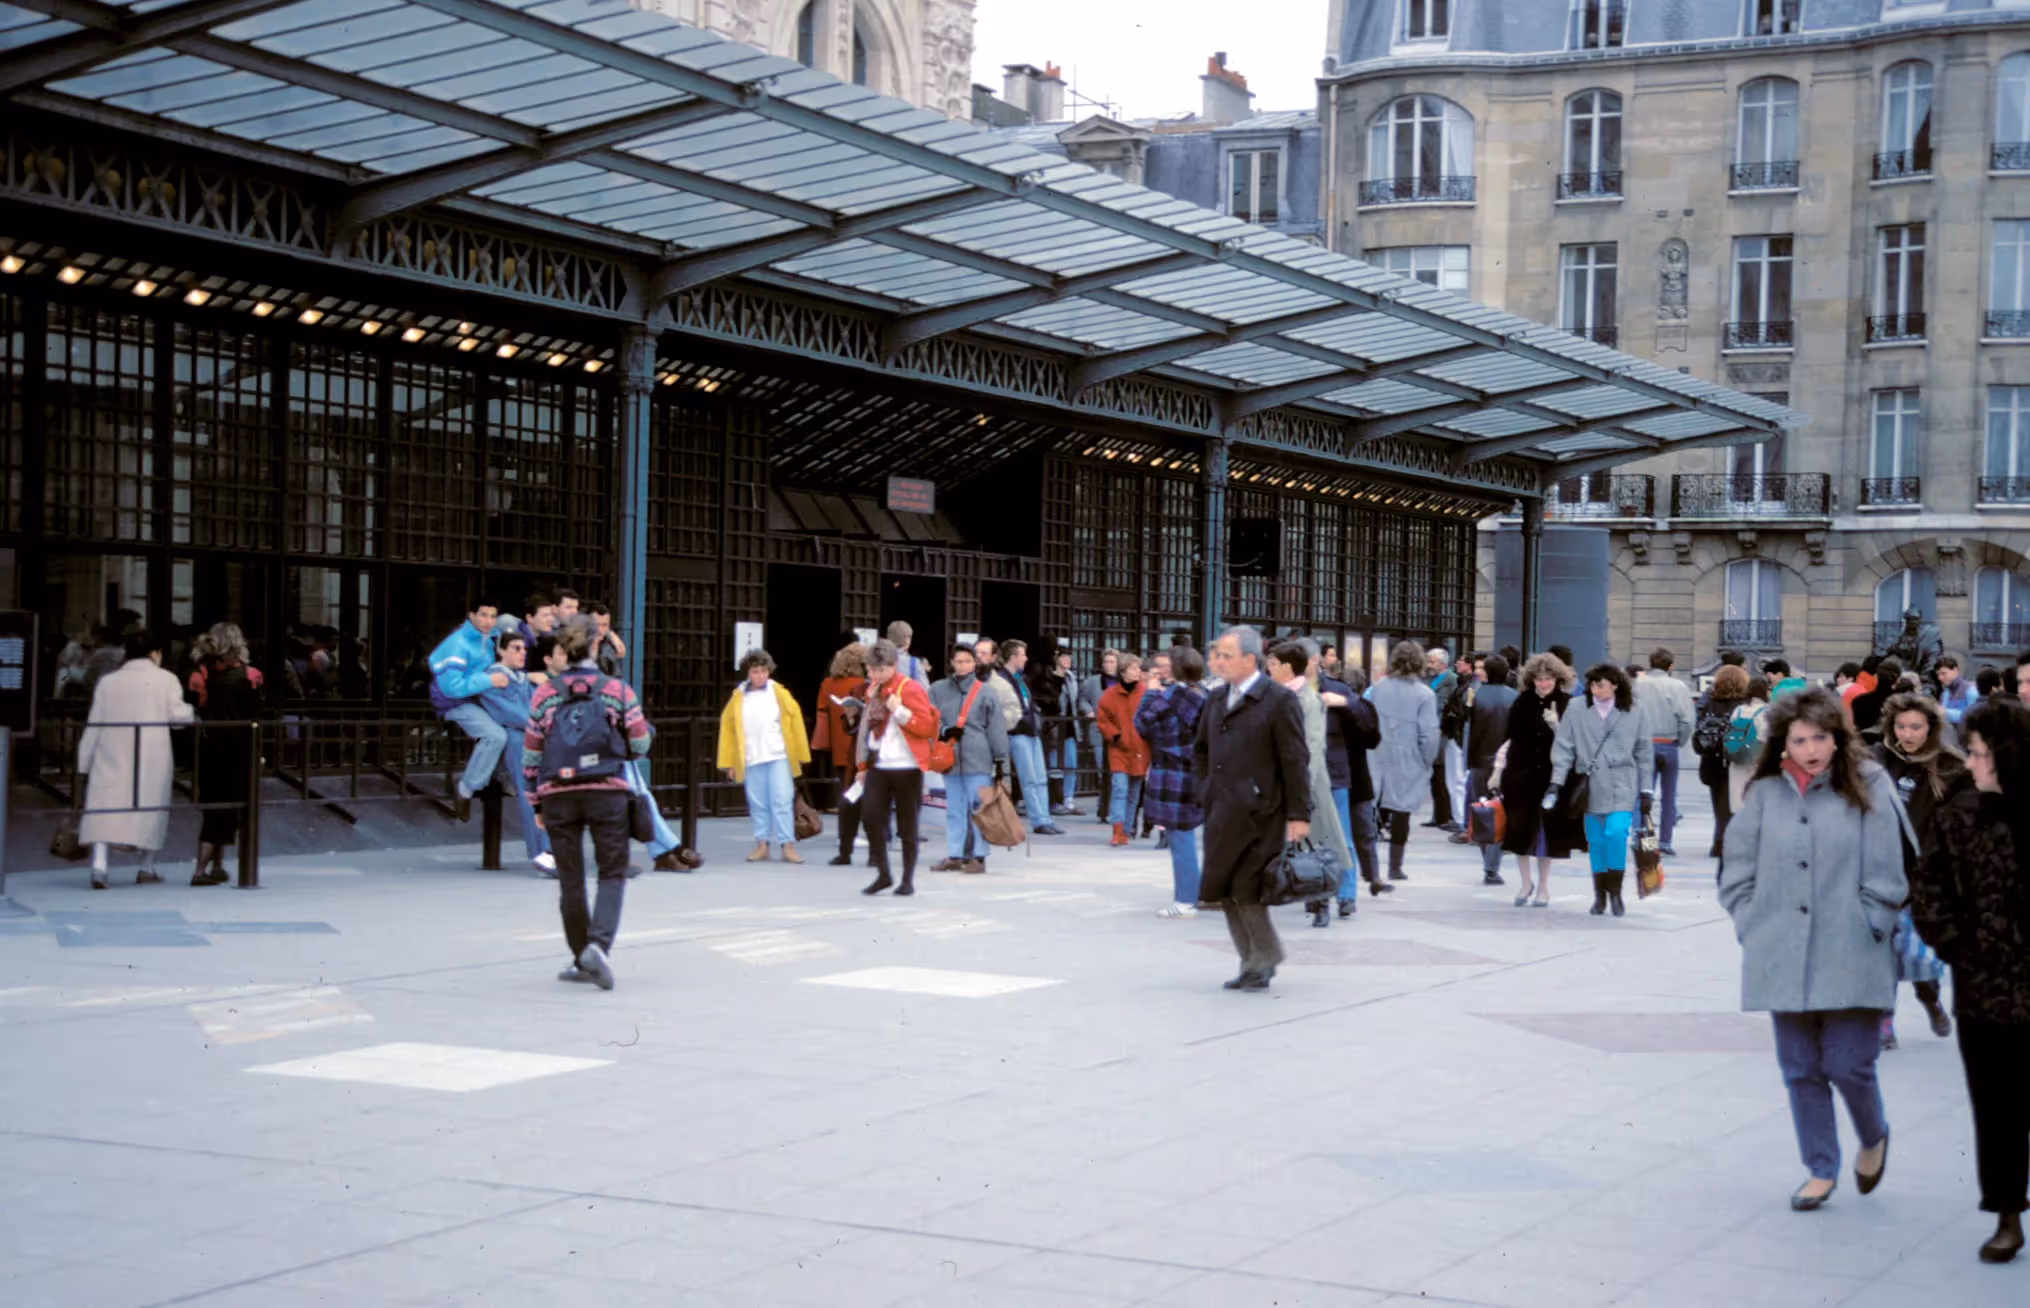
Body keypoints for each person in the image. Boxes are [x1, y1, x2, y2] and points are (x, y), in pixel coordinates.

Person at [1719, 687, 1904, 1213]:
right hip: (1781, 947)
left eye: (1820, 737)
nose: (1810, 749)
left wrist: (1873, 920)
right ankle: (1820, 1168)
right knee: (1800, 1065)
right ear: (1784, 743)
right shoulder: (1767, 790)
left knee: (1849, 1064)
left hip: (1852, 947)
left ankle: (1874, 1135)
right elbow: (1738, 867)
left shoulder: (1868, 783)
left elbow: (1889, 870)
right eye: (1799, 740)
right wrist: (1751, 921)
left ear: (1837, 737)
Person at [1911, 696, 2030, 1262]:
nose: (1972, 763)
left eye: (1981, 753)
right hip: (1984, 993)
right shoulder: (1959, 813)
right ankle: (2006, 1213)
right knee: (1997, 1109)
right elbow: (1928, 891)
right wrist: (1959, 948)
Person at [524, 616, 652, 991]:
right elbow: (641, 742)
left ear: (563, 650)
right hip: (607, 792)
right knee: (612, 871)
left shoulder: (545, 694)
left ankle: (582, 957)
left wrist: (536, 804)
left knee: (570, 878)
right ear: (597, 646)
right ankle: (598, 945)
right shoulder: (617, 690)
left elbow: (531, 753)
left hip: (558, 795)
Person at [1193, 627, 1311, 991]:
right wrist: (1206, 789)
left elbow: (1295, 760)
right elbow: (1200, 749)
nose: (1218, 663)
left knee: (1248, 888)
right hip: (1221, 810)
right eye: (1217, 656)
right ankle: (1251, 960)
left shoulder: (1277, 700)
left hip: (1261, 812)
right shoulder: (1215, 699)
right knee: (1224, 889)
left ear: (1249, 659)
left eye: (1226, 656)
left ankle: (1264, 958)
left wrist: (1299, 814)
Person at [1871, 692, 1966, 1049]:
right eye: (1901, 726)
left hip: (1926, 876)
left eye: (1915, 727)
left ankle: (1930, 1000)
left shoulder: (1949, 767)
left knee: (1916, 955)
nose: (1907, 734)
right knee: (1880, 950)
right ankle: (1884, 1021)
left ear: (1931, 728)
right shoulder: (1878, 759)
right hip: (1881, 871)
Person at [78, 628, 195, 890]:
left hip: (111, 750)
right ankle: (146, 866)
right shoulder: (166, 679)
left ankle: (99, 865)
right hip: (152, 754)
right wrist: (190, 711)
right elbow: (178, 718)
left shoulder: (108, 681)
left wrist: (83, 761)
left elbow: (94, 722)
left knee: (105, 804)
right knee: (151, 807)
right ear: (155, 653)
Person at [1545, 663, 1655, 918]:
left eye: (1601, 684)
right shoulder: (1576, 708)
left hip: (1622, 781)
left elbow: (1644, 753)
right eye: (1592, 684)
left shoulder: (1634, 711)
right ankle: (1600, 896)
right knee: (1596, 841)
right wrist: (1556, 782)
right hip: (1590, 783)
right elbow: (1563, 747)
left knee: (1616, 833)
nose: (1595, 690)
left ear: (1615, 685)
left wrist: (1647, 789)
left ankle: (1615, 893)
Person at [1268, 641, 1352, 927]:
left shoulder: (1307, 699)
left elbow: (1313, 748)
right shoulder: (1277, 696)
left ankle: (1321, 903)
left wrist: (1301, 790)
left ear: (1287, 668)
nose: (1268, 669)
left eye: (1273, 664)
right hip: (1281, 782)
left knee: (1316, 843)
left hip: (1305, 785)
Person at [853, 639, 939, 896]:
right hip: (880, 763)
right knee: (869, 815)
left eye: (878, 670)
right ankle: (883, 873)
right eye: (870, 670)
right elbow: (869, 729)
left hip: (907, 765)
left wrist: (899, 711)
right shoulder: (873, 690)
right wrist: (863, 763)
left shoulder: (910, 688)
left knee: (907, 824)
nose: (873, 675)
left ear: (892, 666)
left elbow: (925, 726)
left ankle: (907, 879)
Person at [1498, 653, 1580, 908]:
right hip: (1520, 775)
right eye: (1539, 679)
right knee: (1519, 831)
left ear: (1558, 679)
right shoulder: (1521, 702)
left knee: (1547, 834)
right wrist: (1498, 771)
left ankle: (1543, 886)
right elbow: (1509, 738)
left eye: (1548, 679)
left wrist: (1557, 727)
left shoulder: (1568, 704)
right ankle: (1525, 883)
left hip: (1551, 778)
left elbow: (1574, 746)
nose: (1543, 684)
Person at [716, 648, 813, 864]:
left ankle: (787, 844)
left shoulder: (779, 694)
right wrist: (730, 762)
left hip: (778, 753)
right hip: (752, 756)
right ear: (747, 673)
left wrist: (798, 753)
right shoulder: (738, 697)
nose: (759, 676)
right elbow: (729, 730)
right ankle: (762, 844)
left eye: (763, 671)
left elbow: (795, 721)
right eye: (755, 672)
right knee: (757, 802)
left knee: (782, 800)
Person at [187, 622, 263, 887]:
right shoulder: (249, 676)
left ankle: (215, 866)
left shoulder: (201, 674)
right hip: (238, 749)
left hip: (209, 747)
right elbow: (254, 716)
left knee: (214, 807)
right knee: (233, 808)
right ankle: (201, 869)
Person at [1137, 644, 1210, 919]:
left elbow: (1142, 723)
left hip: (1173, 772)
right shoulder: (1202, 693)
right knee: (1186, 835)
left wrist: (1151, 691)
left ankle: (1185, 900)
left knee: (1180, 838)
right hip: (1194, 769)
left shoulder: (1171, 696)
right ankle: (1197, 892)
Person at [479, 629, 555, 876]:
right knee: (530, 796)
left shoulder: (522, 678)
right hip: (517, 739)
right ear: (501, 650)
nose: (522, 653)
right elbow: (507, 712)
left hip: (533, 738)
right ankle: (542, 854)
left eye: (524, 649)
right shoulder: (494, 679)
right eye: (516, 649)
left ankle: (548, 851)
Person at [429, 600, 512, 822]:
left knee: (515, 725)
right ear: (471, 616)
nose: (488, 621)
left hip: (478, 697)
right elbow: (451, 688)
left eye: (493, 616)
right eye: (483, 615)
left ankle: (494, 779)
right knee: (495, 736)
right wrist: (489, 679)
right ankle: (466, 790)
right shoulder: (458, 643)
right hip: (453, 701)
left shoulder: (491, 638)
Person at [930, 644, 1008, 874]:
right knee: (954, 807)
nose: (963, 665)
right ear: (951, 663)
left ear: (975, 663)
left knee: (979, 808)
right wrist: (945, 729)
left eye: (967, 661)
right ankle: (955, 853)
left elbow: (996, 727)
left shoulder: (986, 691)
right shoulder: (937, 689)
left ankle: (979, 856)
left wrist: (1001, 759)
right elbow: (930, 718)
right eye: (958, 661)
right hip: (950, 758)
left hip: (979, 757)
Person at [1369, 640, 1440, 882]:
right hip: (1408, 756)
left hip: (1377, 752)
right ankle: (1395, 866)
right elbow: (1429, 735)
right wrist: (1426, 761)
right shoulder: (1425, 695)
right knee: (1402, 811)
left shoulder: (1378, 688)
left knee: (1372, 807)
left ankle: (1369, 863)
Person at [1321, 660, 1384, 906]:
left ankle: (1355, 883)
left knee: (1350, 834)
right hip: (1355, 777)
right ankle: (1370, 876)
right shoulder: (1363, 707)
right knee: (1362, 833)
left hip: (1346, 777)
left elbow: (1371, 738)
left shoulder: (1354, 708)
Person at [1634, 647, 1696, 858]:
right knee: (1669, 796)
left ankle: (1642, 837)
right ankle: (1665, 840)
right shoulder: (1678, 686)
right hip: (1669, 742)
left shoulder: (1637, 686)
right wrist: (1681, 739)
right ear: (1671, 666)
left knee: (1643, 794)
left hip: (1644, 743)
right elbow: (1687, 720)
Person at [999, 640, 1063, 836]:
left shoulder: (1022, 678)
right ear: (1013, 657)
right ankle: (1038, 820)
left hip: (1032, 730)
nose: (1026, 658)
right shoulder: (1002, 679)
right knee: (1030, 778)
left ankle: (1045, 818)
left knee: (1041, 777)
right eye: (1022, 654)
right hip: (1018, 732)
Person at [814, 642, 870, 865]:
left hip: (840, 748)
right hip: (862, 748)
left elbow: (822, 714)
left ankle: (845, 844)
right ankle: (873, 844)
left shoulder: (828, 684)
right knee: (871, 798)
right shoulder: (863, 686)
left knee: (846, 795)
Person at [1465, 653, 1517, 889]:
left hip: (1480, 761)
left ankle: (1487, 857)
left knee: (1482, 810)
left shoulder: (1476, 695)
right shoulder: (1514, 697)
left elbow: (1469, 730)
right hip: (1505, 761)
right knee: (1501, 811)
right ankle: (1492, 864)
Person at [1695, 664, 1752, 860]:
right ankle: (1726, 842)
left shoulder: (1710, 701)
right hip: (1735, 759)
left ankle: (1719, 840)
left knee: (1717, 802)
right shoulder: (1745, 704)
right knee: (1733, 804)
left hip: (1712, 759)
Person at [1097, 654, 1151, 847]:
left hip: (1140, 749)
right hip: (1120, 748)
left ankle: (1126, 831)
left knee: (1134, 792)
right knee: (1120, 789)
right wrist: (1115, 735)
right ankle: (1117, 829)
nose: (1138, 671)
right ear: (1124, 670)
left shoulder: (1145, 692)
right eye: (1134, 668)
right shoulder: (1111, 695)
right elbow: (1103, 719)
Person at [1034, 646, 1083, 817]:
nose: (1068, 660)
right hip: (1054, 726)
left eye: (1070, 657)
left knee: (1071, 763)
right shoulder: (1048, 678)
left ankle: (1068, 798)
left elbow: (1076, 700)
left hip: (1070, 725)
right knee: (1055, 765)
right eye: (1064, 657)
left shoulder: (1071, 677)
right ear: (1056, 659)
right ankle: (1054, 800)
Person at [1079, 649, 1120, 823]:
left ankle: (1113, 808)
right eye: (1106, 662)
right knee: (1102, 768)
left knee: (1116, 771)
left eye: (1112, 661)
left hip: (1118, 730)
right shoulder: (1092, 682)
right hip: (1098, 728)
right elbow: (1082, 699)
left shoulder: (1123, 682)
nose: (1108, 665)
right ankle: (1103, 808)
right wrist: (1088, 710)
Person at [1427, 646, 1464, 831]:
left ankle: (1446, 814)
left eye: (1432, 662)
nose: (1429, 665)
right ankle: (1438, 814)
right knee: (1435, 773)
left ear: (1442, 663)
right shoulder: (1431, 680)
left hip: (1440, 730)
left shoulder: (1450, 679)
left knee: (1441, 771)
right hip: (1431, 727)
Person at [1850, 657, 1902, 738]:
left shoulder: (1858, 701)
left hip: (1865, 745)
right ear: (1898, 679)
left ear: (1876, 676)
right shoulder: (1902, 703)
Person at [586, 601, 626, 677]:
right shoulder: (581, 640)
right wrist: (595, 642)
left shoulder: (608, 642)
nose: (600, 629)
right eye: (596, 625)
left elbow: (621, 652)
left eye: (604, 625)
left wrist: (609, 633)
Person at [1936, 656, 1977, 727]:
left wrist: (1946, 713)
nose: (1940, 678)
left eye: (1943, 673)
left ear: (1955, 670)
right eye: (1938, 675)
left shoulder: (1970, 690)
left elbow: (1974, 716)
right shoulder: (1945, 693)